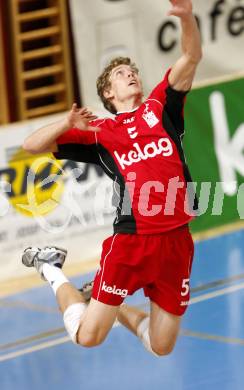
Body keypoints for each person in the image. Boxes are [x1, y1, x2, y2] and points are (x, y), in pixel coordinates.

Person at [22, 0, 202, 356]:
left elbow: (191, 55)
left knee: (161, 346)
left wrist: (186, 18)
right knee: (88, 337)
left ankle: (113, 303)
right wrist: (66, 124)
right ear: (108, 93)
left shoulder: (160, 107)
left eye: (131, 71)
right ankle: (50, 266)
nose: (130, 74)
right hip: (133, 243)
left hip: (177, 241)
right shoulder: (98, 131)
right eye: (120, 73)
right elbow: (31, 145)